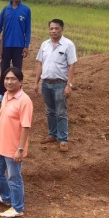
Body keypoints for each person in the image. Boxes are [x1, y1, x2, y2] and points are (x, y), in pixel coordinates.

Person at [0, 67, 33, 218]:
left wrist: (20, 149)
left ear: (20, 82)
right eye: (7, 78)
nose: (9, 82)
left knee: (14, 178)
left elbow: (26, 126)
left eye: (13, 79)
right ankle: (6, 197)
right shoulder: (6, 95)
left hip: (14, 148)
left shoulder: (24, 101)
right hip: (0, 145)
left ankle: (18, 208)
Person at [33, 18, 77, 152]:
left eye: (56, 28)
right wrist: (36, 82)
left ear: (61, 29)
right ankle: (52, 134)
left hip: (60, 84)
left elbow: (72, 66)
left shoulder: (68, 45)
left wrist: (69, 85)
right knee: (49, 111)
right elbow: (40, 64)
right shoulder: (44, 45)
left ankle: (63, 139)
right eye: (51, 28)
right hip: (46, 83)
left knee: (61, 112)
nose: (53, 31)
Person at [0, 0, 31, 103]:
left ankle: (18, 93)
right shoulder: (5, 10)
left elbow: (28, 29)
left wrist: (26, 46)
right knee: (4, 69)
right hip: (6, 45)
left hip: (19, 45)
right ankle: (1, 93)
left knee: (17, 70)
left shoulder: (26, 10)